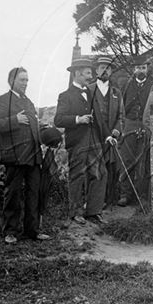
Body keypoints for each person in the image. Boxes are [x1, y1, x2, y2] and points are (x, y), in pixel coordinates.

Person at [0, 67, 50, 244]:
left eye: (27, 80)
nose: (25, 83)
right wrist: (14, 120)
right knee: (13, 194)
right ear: (11, 81)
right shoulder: (1, 101)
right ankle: (10, 231)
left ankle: (32, 231)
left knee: (34, 193)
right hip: (14, 156)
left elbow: (33, 127)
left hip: (33, 155)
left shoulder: (29, 103)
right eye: (22, 80)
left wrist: (44, 130)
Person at [54, 59, 107, 225]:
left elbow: (98, 117)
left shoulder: (90, 93)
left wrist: (107, 136)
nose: (90, 77)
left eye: (91, 73)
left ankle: (93, 211)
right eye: (87, 73)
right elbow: (58, 119)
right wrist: (78, 119)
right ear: (76, 74)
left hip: (94, 141)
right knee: (77, 176)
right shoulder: (65, 96)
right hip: (77, 142)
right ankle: (76, 212)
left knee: (101, 173)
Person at [118, 55, 153, 207]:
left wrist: (147, 126)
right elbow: (120, 108)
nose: (141, 70)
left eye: (143, 68)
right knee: (126, 159)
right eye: (138, 68)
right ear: (134, 69)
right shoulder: (126, 85)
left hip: (145, 125)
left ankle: (141, 195)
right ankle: (125, 194)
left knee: (143, 160)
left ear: (147, 69)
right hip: (129, 125)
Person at [88, 56, 124, 207]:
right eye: (102, 67)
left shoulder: (116, 92)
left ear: (111, 71)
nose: (105, 70)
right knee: (94, 168)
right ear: (96, 70)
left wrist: (116, 129)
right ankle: (93, 202)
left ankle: (108, 201)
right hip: (93, 136)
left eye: (108, 68)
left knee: (110, 167)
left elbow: (121, 116)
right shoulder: (88, 89)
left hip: (111, 136)